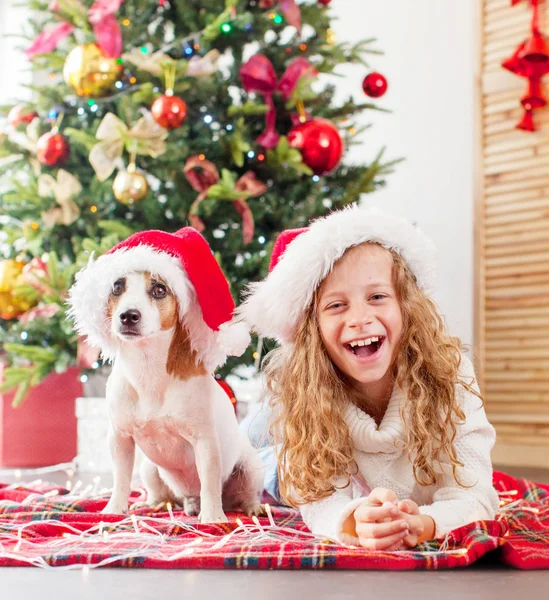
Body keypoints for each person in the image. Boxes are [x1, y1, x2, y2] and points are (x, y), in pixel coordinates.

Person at [239, 206, 498, 551]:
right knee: (250, 462)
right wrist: (351, 520)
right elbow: (317, 498)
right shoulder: (301, 393)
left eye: (377, 297)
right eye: (336, 305)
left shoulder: (450, 375)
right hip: (273, 455)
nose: (360, 318)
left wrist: (421, 524)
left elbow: (476, 494)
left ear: (406, 307)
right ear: (312, 330)